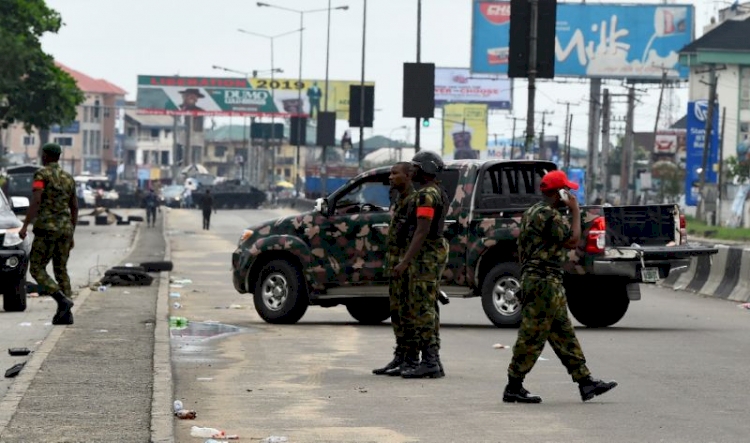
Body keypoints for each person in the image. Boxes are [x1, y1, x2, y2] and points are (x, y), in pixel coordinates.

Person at [503, 170, 617, 404]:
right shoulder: (548, 215)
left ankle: (585, 382)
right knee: (532, 335)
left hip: (543, 280)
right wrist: (575, 210)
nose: (570, 194)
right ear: (558, 193)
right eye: (567, 190)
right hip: (543, 281)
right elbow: (572, 240)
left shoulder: (533, 211)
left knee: (563, 333)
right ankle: (513, 385)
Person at [394, 151, 450, 379]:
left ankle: (429, 362)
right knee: (428, 306)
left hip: (426, 257)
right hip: (429, 254)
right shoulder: (435, 192)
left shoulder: (427, 195)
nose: (412, 171)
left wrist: (405, 261)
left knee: (423, 308)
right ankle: (432, 359)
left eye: (416, 167)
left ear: (426, 169)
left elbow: (422, 229)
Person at [18, 143, 77, 325]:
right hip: (65, 229)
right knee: (61, 269)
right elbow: (74, 207)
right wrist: (72, 232)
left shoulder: (41, 174)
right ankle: (66, 314)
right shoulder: (68, 178)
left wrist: (25, 225)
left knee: (36, 268)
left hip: (46, 229)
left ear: (45, 156)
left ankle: (61, 300)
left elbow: (36, 200)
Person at [373, 162, 416, 377]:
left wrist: (405, 262)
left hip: (408, 265)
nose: (390, 177)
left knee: (409, 312)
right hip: (396, 263)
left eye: (394, 173)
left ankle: (411, 359)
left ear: (408, 176)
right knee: (397, 311)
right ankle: (400, 356)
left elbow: (419, 234)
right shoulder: (399, 199)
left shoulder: (414, 200)